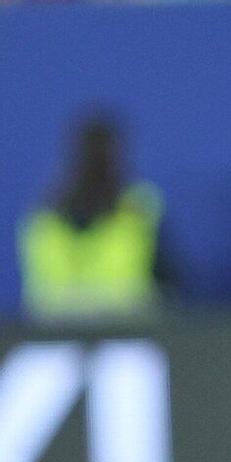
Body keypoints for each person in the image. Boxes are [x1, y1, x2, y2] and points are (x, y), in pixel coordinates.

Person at [18, 113, 174, 321]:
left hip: (127, 332)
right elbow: (40, 298)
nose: (97, 162)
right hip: (57, 336)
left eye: (103, 155)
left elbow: (169, 281)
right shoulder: (45, 220)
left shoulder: (140, 209)